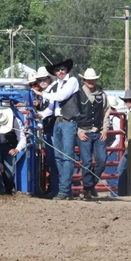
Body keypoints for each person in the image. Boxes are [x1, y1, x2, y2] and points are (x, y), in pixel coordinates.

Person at [33, 58, 80, 200]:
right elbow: (51, 108)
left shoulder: (72, 81)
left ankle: (64, 190)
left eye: (63, 69)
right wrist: (39, 115)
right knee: (59, 156)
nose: (60, 71)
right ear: (54, 72)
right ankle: (64, 189)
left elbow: (62, 96)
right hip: (58, 122)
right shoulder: (55, 86)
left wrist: (42, 94)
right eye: (57, 69)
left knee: (66, 157)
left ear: (67, 70)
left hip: (68, 121)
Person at [75, 68, 111, 199]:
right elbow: (74, 114)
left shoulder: (102, 95)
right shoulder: (78, 94)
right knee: (87, 162)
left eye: (93, 79)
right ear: (84, 80)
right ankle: (88, 188)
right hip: (84, 131)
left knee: (102, 160)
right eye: (88, 80)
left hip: (98, 131)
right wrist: (78, 130)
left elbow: (106, 112)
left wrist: (105, 129)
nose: (91, 82)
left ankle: (89, 186)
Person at [113, 89, 131, 196]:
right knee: (125, 168)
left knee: (121, 168)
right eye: (126, 100)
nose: (128, 102)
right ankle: (123, 192)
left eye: (130, 100)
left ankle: (122, 193)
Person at [35, 66, 58, 198]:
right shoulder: (47, 92)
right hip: (49, 129)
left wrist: (39, 115)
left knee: (55, 160)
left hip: (53, 129)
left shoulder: (52, 91)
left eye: (44, 79)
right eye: (40, 80)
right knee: (52, 160)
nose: (42, 81)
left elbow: (50, 110)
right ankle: (54, 188)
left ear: (49, 78)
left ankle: (56, 189)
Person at [105, 95, 122, 197]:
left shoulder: (115, 118)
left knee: (111, 171)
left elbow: (118, 137)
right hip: (108, 147)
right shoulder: (109, 118)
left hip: (112, 148)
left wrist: (111, 148)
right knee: (108, 171)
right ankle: (114, 193)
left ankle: (115, 193)